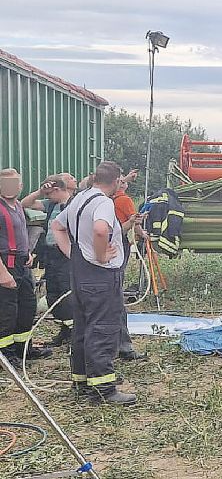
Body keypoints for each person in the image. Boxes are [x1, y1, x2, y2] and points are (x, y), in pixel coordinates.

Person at [51, 161, 137, 405]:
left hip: (80, 273)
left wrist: (73, 253)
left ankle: (81, 381)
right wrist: (99, 256)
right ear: (116, 180)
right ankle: (103, 390)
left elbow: (57, 226)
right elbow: (101, 230)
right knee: (102, 329)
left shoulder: (79, 199)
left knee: (83, 327)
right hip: (100, 276)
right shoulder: (103, 203)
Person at [0, 168, 52, 367]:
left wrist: (27, 253)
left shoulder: (17, 207)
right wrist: (2, 273)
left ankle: (23, 349)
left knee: (27, 306)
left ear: (20, 187)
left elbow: (19, 231)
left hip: (21, 264)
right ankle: (5, 354)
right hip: (6, 265)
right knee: (7, 312)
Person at [21, 174, 77, 347]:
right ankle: (64, 329)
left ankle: (75, 332)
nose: (47, 197)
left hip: (67, 256)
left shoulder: (75, 205)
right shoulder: (50, 205)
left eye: (50, 193)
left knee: (67, 294)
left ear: (60, 189)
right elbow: (24, 204)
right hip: (51, 255)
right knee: (53, 294)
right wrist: (40, 191)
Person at [112, 178, 147, 361]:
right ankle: (123, 347)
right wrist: (142, 234)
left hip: (102, 254)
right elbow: (134, 223)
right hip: (116, 248)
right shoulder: (124, 200)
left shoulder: (95, 200)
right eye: (121, 180)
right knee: (115, 300)